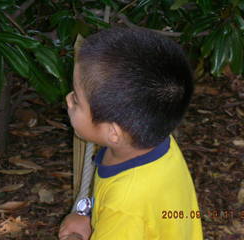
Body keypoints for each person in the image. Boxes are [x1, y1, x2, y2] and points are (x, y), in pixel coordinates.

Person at [59, 26, 203, 240]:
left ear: (113, 132)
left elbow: (127, 215)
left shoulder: (124, 208)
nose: (68, 100)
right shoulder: (157, 140)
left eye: (77, 101)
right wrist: (93, 218)